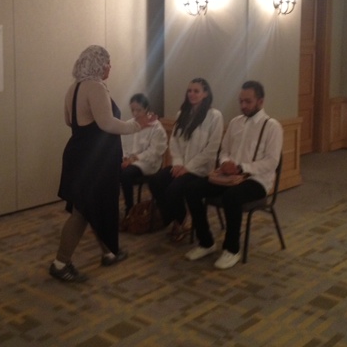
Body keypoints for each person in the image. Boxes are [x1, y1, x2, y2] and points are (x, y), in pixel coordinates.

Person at [50, 45, 156, 282]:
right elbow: (107, 123)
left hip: (79, 155)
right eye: (108, 62)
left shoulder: (74, 88)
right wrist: (137, 125)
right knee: (83, 211)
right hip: (93, 160)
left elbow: (69, 120)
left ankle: (109, 252)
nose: (110, 67)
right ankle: (60, 263)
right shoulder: (95, 87)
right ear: (98, 64)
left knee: (95, 207)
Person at [184, 80, 283, 269]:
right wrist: (225, 163)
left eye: (248, 101)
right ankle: (206, 242)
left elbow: (272, 162)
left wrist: (240, 167)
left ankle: (232, 249)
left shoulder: (272, 126)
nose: (243, 105)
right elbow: (224, 151)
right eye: (241, 101)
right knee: (192, 189)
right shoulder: (235, 123)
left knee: (231, 197)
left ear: (260, 101)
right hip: (229, 177)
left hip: (257, 181)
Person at [147, 78, 223, 242]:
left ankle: (179, 221)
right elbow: (174, 141)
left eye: (196, 91)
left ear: (205, 93)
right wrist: (178, 164)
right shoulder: (182, 114)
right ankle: (178, 217)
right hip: (181, 165)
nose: (192, 94)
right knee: (155, 180)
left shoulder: (214, 116)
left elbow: (211, 149)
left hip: (200, 169)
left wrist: (188, 168)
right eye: (189, 91)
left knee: (173, 189)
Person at [120, 93, 168, 218]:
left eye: (139, 110)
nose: (135, 113)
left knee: (125, 174)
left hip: (148, 163)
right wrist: (125, 157)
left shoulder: (156, 127)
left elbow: (154, 151)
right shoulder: (129, 124)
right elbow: (123, 144)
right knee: (112, 170)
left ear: (146, 108)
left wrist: (133, 159)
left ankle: (129, 209)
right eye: (133, 110)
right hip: (130, 161)